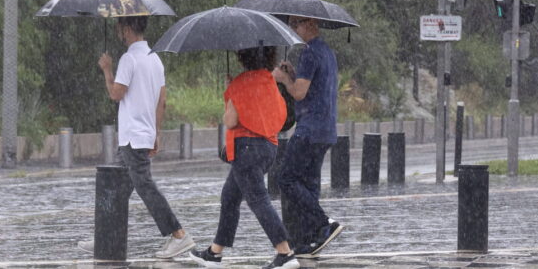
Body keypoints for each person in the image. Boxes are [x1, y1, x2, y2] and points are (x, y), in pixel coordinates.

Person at [78, 16, 195, 259]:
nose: (118, 32)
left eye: (120, 27)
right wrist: (156, 133)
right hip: (141, 135)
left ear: (128, 29)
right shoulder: (155, 59)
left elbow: (115, 93)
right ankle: (104, 236)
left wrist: (107, 69)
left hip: (132, 136)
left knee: (145, 187)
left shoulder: (129, 58)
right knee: (115, 188)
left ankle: (179, 234)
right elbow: (161, 101)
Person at [190, 46, 300, 269]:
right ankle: (215, 252)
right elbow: (277, 114)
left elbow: (230, 121)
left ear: (242, 57)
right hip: (268, 147)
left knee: (258, 200)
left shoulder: (240, 83)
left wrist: (232, 93)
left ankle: (285, 253)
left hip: (247, 149)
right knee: (230, 197)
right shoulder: (269, 80)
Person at [272, 16, 343, 258]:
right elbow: (314, 85)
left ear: (310, 23)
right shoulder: (326, 52)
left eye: (296, 24)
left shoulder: (310, 53)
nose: (293, 29)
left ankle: (325, 224)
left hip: (309, 129)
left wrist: (283, 79)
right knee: (309, 185)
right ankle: (310, 239)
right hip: (326, 129)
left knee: (286, 179)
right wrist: (292, 73)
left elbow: (299, 93)